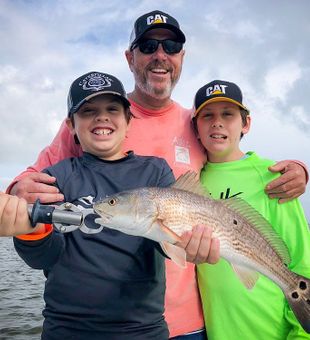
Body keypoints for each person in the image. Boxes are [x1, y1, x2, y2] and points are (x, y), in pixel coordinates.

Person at [7, 10, 308, 339]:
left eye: (171, 46)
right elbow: (31, 182)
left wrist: (295, 171)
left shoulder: (197, 122)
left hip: (188, 317)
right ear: (130, 57)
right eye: (148, 46)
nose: (160, 55)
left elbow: (232, 159)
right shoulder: (92, 121)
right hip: (95, 318)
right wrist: (18, 196)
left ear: (182, 55)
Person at [12, 71, 180, 339]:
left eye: (112, 109)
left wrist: (190, 242)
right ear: (71, 125)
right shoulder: (58, 175)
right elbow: (43, 258)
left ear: (128, 120)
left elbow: (168, 244)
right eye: (88, 111)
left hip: (142, 329)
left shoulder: (155, 172)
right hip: (66, 328)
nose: (101, 117)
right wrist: (30, 230)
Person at [192, 80, 310, 339]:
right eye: (207, 115)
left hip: (270, 328)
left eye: (228, 114)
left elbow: (302, 259)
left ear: (246, 123)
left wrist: (300, 335)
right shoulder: (192, 178)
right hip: (215, 330)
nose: (217, 122)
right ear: (195, 128)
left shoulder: (273, 176)